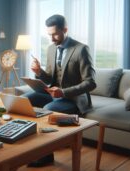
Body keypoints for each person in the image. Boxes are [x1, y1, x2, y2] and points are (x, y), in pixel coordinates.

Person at [24, 14, 96, 167]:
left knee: (48, 109)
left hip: (73, 99)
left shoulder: (81, 49)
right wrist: (39, 72)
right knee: (25, 100)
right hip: (53, 95)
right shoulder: (51, 49)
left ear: (65, 30)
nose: (51, 39)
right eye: (49, 35)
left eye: (55, 34)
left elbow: (91, 82)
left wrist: (63, 92)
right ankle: (27, 148)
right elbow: (50, 79)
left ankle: (46, 155)